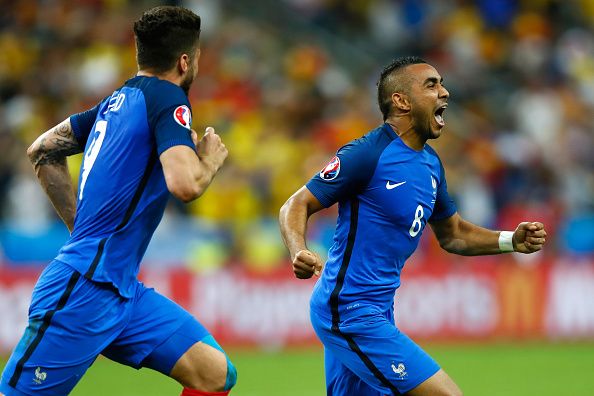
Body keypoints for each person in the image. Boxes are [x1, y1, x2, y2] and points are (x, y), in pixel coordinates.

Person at [0, 6, 236, 396]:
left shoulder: (115, 101)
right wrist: (209, 161)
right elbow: (185, 185)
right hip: (83, 291)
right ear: (184, 61)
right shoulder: (168, 98)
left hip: (122, 290)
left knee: (214, 375)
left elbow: (42, 150)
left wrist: (83, 229)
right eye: (196, 57)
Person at [279, 56, 547, 396]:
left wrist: (511, 240)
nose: (444, 92)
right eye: (431, 85)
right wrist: (298, 249)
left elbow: (453, 234)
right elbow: (296, 204)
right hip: (349, 310)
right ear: (402, 101)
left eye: (442, 83)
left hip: (378, 309)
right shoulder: (366, 154)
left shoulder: (431, 164)